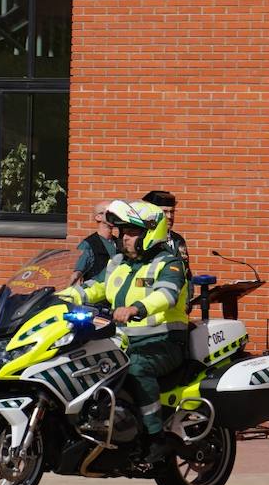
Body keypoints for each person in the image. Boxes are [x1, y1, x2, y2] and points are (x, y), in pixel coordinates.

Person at [60, 199, 189, 464]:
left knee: (136, 368)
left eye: (131, 233)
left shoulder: (170, 264)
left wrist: (136, 308)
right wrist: (58, 296)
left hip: (163, 343)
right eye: (123, 232)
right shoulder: (118, 263)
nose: (125, 238)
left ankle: (155, 438)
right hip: (123, 341)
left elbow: (167, 295)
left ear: (150, 233)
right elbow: (94, 288)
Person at [72, 200, 118, 285]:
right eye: (109, 212)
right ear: (98, 217)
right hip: (94, 294)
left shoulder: (120, 242)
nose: (113, 215)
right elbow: (76, 274)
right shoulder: (88, 244)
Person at [142, 190, 191, 269]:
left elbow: (186, 271)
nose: (170, 216)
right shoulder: (142, 238)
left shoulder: (178, 239)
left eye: (172, 212)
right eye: (164, 212)